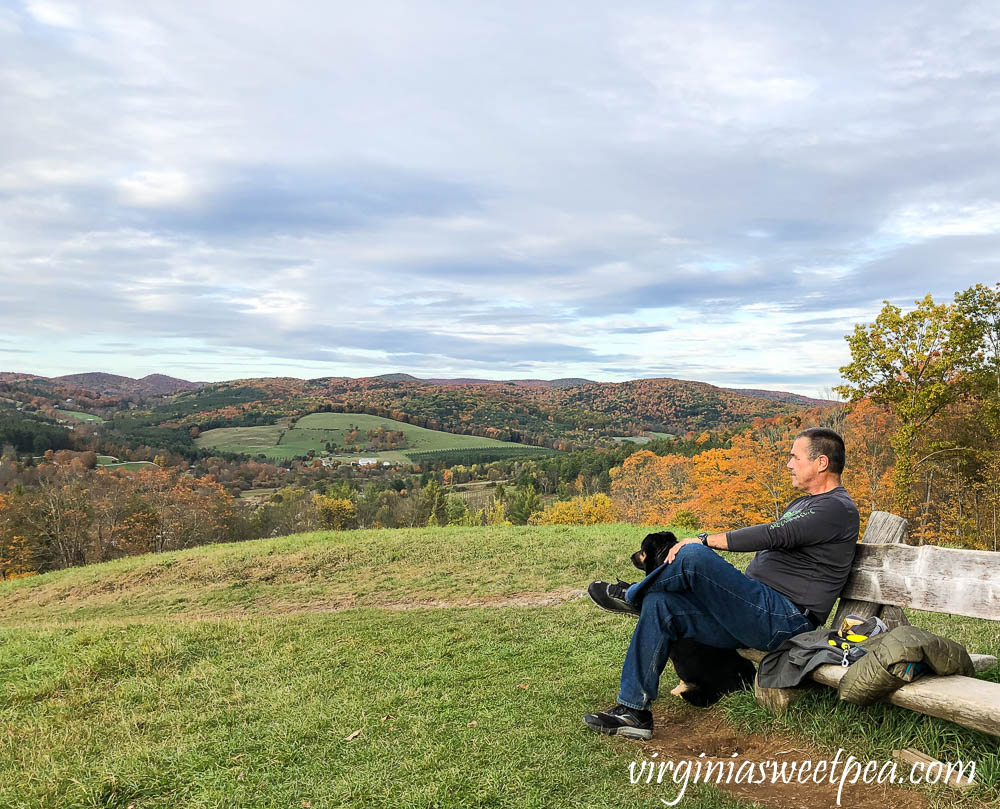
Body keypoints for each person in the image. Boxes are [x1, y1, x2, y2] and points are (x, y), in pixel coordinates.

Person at [583, 427, 859, 740]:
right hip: (753, 612)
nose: (789, 464)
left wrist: (704, 539)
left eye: (795, 457)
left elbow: (775, 534)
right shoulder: (803, 504)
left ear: (821, 463)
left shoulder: (836, 508)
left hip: (786, 619)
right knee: (662, 605)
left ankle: (632, 594)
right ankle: (633, 711)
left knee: (692, 554)